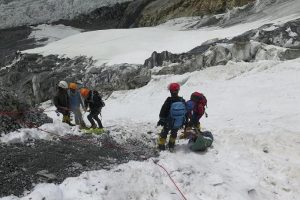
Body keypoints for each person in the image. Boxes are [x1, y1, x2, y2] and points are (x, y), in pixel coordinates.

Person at [157, 83, 186, 151]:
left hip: (168, 121)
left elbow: (163, 111)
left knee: (164, 132)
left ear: (170, 91)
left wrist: (161, 119)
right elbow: (185, 111)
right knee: (174, 133)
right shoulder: (182, 100)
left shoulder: (169, 100)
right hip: (177, 122)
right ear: (178, 90)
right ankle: (171, 145)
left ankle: (161, 145)